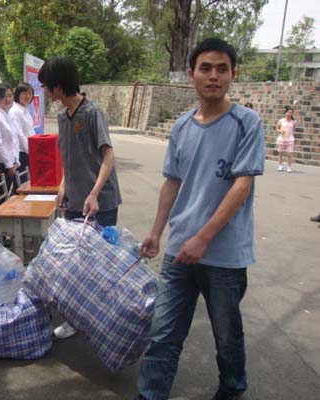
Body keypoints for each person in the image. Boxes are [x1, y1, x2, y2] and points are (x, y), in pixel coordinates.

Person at [134, 38, 265, 400]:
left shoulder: (247, 123)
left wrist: (203, 238)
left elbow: (240, 188)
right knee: (163, 334)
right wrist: (157, 232)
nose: (213, 76)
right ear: (191, 75)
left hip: (224, 255)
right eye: (205, 68)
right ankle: (149, 395)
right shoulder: (181, 127)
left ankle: (232, 387)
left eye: (222, 69)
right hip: (179, 251)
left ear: (233, 74)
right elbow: (172, 182)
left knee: (226, 334)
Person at [38, 56, 122, 339]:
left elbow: (108, 156)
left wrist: (95, 193)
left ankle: (105, 318)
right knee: (75, 264)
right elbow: (69, 158)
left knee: (100, 263)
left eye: (48, 87)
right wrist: (63, 186)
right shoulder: (63, 117)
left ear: (59, 86)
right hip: (74, 202)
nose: (47, 93)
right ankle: (77, 317)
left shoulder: (92, 113)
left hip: (100, 202)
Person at [0, 84, 20, 193]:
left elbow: (15, 140)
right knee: (2, 197)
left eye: (9, 96)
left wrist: (16, 161)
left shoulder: (9, 114)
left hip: (12, 163)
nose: (7, 99)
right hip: (3, 165)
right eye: (3, 97)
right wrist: (9, 166)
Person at [10, 82, 35, 182]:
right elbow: (19, 134)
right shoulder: (15, 111)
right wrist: (31, 151)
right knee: (22, 184)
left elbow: (30, 131)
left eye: (29, 93)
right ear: (18, 94)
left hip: (27, 152)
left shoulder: (25, 110)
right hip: (21, 153)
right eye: (24, 93)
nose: (27, 96)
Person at [276, 105, 297, 173]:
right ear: (285, 113)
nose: (289, 114)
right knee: (280, 153)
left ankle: (289, 166)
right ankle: (280, 165)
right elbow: (277, 128)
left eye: (291, 112)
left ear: (292, 114)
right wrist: (280, 131)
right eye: (288, 112)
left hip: (290, 139)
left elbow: (293, 129)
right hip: (282, 138)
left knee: (289, 154)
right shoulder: (281, 120)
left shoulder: (294, 122)